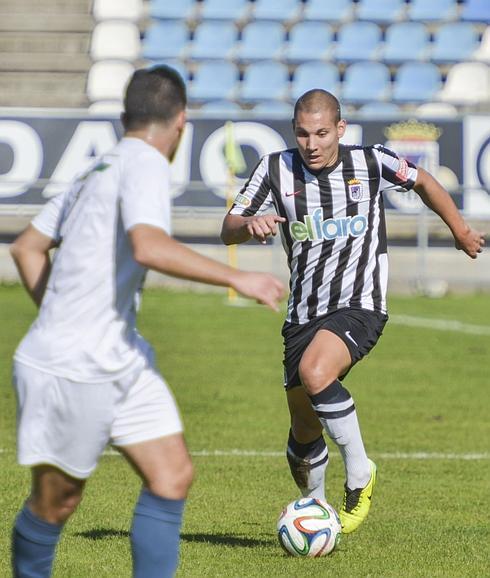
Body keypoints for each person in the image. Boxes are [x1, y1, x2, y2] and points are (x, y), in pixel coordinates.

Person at [9, 65, 284, 578]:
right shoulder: (147, 164)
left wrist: (60, 311)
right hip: (73, 365)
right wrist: (243, 280)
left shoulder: (98, 166)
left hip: (120, 354)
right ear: (182, 120)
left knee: (172, 476)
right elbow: (149, 246)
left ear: (123, 118)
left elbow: (27, 249)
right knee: (55, 505)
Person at [221, 89, 485, 535]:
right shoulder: (274, 168)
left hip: (360, 302)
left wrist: (459, 230)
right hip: (303, 312)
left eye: (322, 133)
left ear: (340, 129)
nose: (312, 144)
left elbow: (424, 182)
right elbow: (228, 228)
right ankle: (316, 511)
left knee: (317, 372)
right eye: (303, 134)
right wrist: (249, 224)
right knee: (303, 430)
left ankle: (360, 473)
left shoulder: (371, 161)